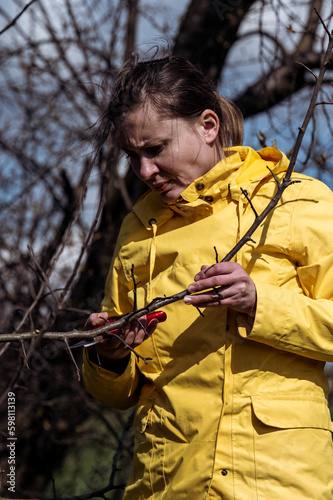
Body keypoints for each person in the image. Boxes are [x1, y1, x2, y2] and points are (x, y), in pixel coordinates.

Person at [82, 54, 333, 499]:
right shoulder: (136, 232)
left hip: (280, 483)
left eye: (156, 149)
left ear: (208, 126)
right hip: (165, 485)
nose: (144, 171)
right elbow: (118, 394)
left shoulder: (296, 201)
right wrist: (111, 356)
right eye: (132, 155)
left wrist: (260, 303)